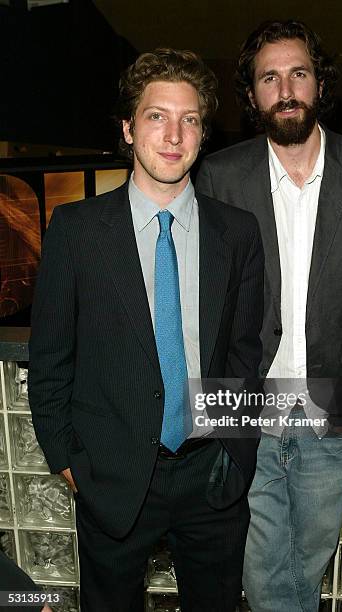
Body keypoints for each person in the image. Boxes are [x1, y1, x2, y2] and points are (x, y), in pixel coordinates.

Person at [28, 48, 264, 612]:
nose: (173, 134)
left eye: (190, 119)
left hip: (212, 473)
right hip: (110, 477)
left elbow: (245, 349)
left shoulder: (236, 232)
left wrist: (238, 449)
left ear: (203, 134)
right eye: (157, 116)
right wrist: (68, 457)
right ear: (129, 129)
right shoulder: (77, 229)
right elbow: (51, 353)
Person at [196, 19, 342, 612]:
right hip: (247, 403)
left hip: (332, 400)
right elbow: (211, 302)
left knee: (312, 551)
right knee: (259, 559)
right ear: (253, 95)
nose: (286, 89)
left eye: (299, 73)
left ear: (319, 83)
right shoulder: (222, 175)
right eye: (269, 77)